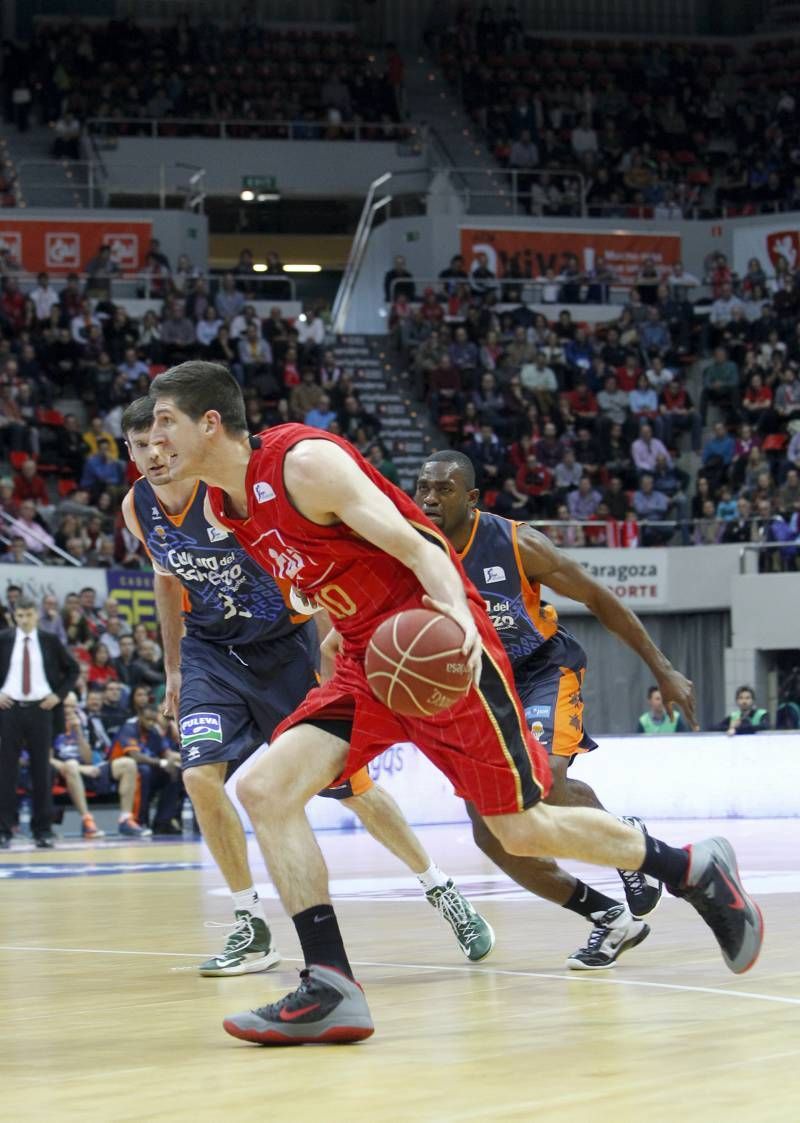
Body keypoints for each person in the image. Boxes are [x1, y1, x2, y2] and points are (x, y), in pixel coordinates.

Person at [149, 361, 763, 1046]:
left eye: (163, 422)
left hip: (435, 643)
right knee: (265, 788)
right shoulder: (224, 509)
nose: (153, 440)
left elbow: (418, 544)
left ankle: (691, 867)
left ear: (209, 423)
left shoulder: (304, 463)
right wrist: (319, 615)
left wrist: (461, 622)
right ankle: (331, 983)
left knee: (521, 829)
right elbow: (315, 573)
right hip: (366, 661)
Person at [121, 398, 493, 974]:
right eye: (139, 446)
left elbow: (306, 563)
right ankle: (250, 924)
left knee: (352, 788)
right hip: (210, 653)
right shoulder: (137, 508)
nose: (153, 454)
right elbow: (166, 583)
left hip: (282, 647)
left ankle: (438, 885)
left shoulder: (219, 493)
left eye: (160, 441)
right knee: (199, 775)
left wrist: (335, 639)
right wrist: (172, 667)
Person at [415, 451, 695, 967]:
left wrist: (663, 669)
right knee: (491, 832)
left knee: (541, 781)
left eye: (444, 489)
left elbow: (597, 596)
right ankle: (609, 918)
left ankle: (626, 843)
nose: (430, 498)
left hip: (543, 669)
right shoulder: (409, 547)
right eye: (423, 488)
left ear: (471, 499)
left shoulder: (517, 543)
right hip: (479, 688)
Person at [0, 598, 80, 848]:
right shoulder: (3, 639)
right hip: (9, 708)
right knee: (6, 772)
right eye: (19, 615)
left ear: (36, 615)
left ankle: (42, 830)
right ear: (14, 616)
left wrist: (58, 695)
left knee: (41, 771)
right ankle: (4, 829)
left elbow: (73, 669)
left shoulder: (49, 640)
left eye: (28, 615)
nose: (23, 620)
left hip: (41, 710)